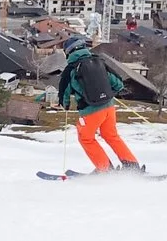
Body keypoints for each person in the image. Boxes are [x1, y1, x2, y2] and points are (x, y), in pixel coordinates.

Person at [57, 40, 142, 175]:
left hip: (91, 110)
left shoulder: (71, 69)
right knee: (111, 135)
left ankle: (105, 169)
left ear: (68, 53)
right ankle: (132, 166)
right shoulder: (99, 61)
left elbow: (64, 92)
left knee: (86, 138)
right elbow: (118, 83)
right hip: (109, 107)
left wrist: (65, 104)